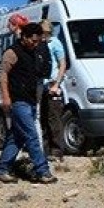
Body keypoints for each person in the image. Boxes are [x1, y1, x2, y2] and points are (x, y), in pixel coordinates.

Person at [0, 22, 57, 184]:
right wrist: (6, 97)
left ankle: (1, 168)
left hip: (31, 100)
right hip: (18, 101)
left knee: (16, 137)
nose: (36, 44)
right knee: (31, 136)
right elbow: (3, 74)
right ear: (24, 37)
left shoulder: (34, 52)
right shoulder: (12, 53)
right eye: (33, 40)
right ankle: (43, 170)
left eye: (38, 41)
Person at [39, 20, 67, 158]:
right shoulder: (38, 43)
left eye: (46, 32)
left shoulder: (55, 43)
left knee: (54, 118)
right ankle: (44, 150)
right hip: (40, 84)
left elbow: (62, 64)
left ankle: (57, 150)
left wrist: (57, 83)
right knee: (41, 118)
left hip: (52, 84)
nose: (44, 35)